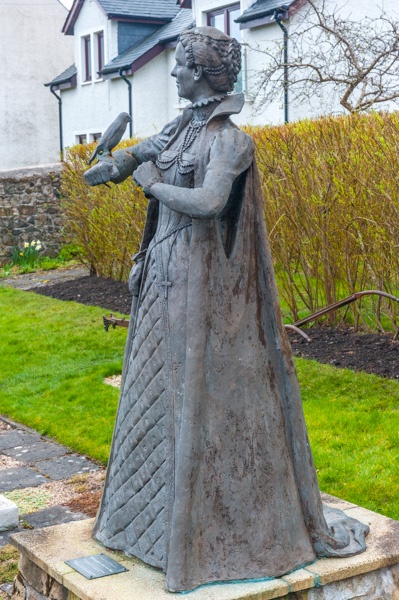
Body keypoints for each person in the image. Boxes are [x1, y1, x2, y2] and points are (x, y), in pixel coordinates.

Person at [84, 26, 368, 593]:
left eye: (181, 64)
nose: (173, 73)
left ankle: (209, 540)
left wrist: (150, 186)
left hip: (202, 286)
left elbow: (209, 204)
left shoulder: (231, 141)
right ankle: (138, 528)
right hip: (164, 278)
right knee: (153, 393)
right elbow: (138, 157)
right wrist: (111, 166)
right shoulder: (179, 127)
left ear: (204, 72)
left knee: (193, 399)